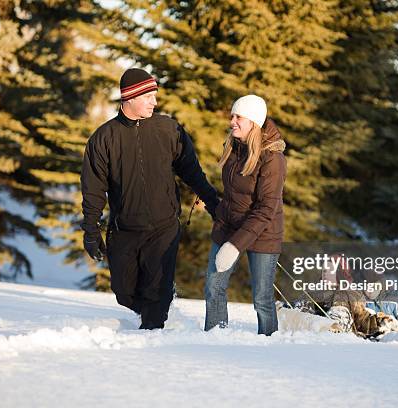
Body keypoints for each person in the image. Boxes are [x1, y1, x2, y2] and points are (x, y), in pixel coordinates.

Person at [81, 68, 219, 330]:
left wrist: (213, 203)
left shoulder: (168, 130)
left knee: (156, 294)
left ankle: (153, 339)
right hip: (124, 229)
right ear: (130, 98)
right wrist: (90, 230)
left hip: (163, 227)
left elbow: (192, 172)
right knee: (123, 291)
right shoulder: (103, 139)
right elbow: (93, 189)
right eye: (148, 96)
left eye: (155, 96)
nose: (154, 102)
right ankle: (157, 305)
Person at [204, 94, 287, 336]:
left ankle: (269, 342)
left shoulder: (273, 159)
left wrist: (234, 246)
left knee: (262, 297)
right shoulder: (233, 148)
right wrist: (219, 214)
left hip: (263, 233)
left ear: (253, 122)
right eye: (232, 116)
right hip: (229, 227)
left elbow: (265, 209)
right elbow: (233, 197)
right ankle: (215, 337)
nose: (232, 121)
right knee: (213, 287)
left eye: (238, 117)